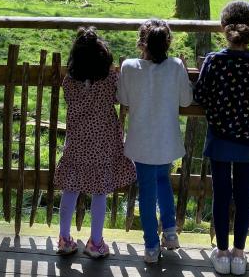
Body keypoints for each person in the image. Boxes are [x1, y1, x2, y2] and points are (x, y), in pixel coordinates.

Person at [194, 0, 249, 276]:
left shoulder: (214, 61)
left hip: (220, 138)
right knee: (243, 196)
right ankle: (239, 254)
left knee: (221, 195)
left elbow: (200, 96)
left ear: (223, 28)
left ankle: (221, 252)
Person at [54, 27, 136, 258]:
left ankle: (64, 239)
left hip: (77, 143)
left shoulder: (69, 82)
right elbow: (120, 97)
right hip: (103, 144)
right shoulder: (109, 80)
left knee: (71, 189)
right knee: (100, 192)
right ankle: (96, 243)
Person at [117, 19, 193, 264]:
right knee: (163, 182)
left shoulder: (129, 66)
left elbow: (123, 98)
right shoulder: (176, 66)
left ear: (142, 43)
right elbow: (186, 101)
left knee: (147, 192)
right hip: (167, 140)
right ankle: (170, 232)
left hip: (142, 142)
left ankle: (151, 245)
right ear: (167, 42)